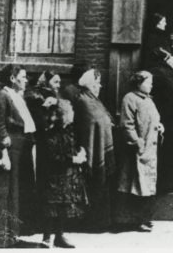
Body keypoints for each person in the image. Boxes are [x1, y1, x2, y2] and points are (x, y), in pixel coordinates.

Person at [0, 64, 38, 247]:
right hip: (8, 150)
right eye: (23, 76)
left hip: (20, 150)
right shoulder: (1, 96)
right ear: (12, 79)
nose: (26, 80)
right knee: (3, 192)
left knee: (14, 193)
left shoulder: (17, 96)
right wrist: (3, 152)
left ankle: (11, 236)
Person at [113, 71, 163, 233]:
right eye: (149, 82)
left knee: (145, 184)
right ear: (138, 83)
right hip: (136, 151)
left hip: (149, 149)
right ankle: (131, 221)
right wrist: (137, 142)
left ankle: (143, 218)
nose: (152, 85)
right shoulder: (130, 98)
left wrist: (159, 126)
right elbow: (126, 124)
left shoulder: (148, 99)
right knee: (134, 184)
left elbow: (152, 118)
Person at [37, 99, 88, 248]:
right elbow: (52, 157)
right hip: (54, 176)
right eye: (70, 111)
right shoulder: (51, 133)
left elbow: (75, 145)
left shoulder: (69, 130)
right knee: (51, 208)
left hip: (67, 175)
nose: (73, 114)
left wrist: (81, 151)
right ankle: (46, 238)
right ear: (63, 115)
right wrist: (74, 159)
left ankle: (59, 237)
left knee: (63, 207)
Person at [72, 68, 115, 230]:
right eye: (97, 83)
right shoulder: (83, 99)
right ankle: (91, 224)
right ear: (90, 84)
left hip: (100, 147)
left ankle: (100, 222)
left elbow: (104, 119)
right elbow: (90, 124)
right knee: (93, 185)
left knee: (101, 186)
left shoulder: (94, 99)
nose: (100, 86)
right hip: (90, 150)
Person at [24, 70, 62, 244]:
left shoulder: (57, 98)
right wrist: (51, 108)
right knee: (48, 191)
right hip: (44, 150)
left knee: (62, 191)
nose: (58, 85)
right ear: (46, 82)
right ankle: (47, 235)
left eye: (59, 82)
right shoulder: (35, 99)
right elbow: (42, 126)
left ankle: (60, 235)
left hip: (59, 149)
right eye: (55, 82)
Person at [149, 51, 173, 193]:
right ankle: (168, 184)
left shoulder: (161, 72)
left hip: (166, 118)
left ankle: (167, 183)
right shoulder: (167, 75)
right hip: (171, 120)